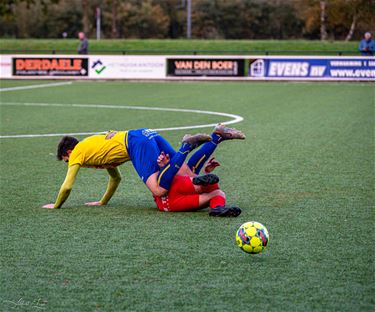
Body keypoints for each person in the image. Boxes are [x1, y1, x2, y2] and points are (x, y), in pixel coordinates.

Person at [42, 129, 211, 209]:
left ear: (69, 152)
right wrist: (103, 201)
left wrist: (56, 205)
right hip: (146, 133)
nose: (69, 164)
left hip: (136, 144)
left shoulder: (78, 152)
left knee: (158, 190)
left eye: (66, 161)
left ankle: (185, 147)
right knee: (185, 172)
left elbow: (67, 186)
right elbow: (116, 178)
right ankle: (216, 137)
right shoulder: (91, 147)